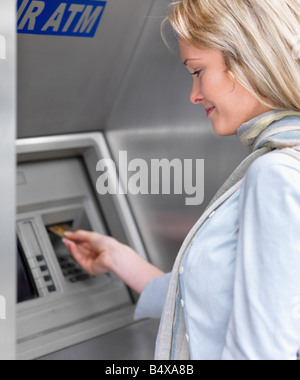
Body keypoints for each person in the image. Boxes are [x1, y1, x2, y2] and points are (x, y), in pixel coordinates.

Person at [64, 0, 300, 360]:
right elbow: (230, 298)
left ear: (249, 61)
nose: (194, 94)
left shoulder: (275, 174)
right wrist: (119, 260)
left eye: (197, 71)